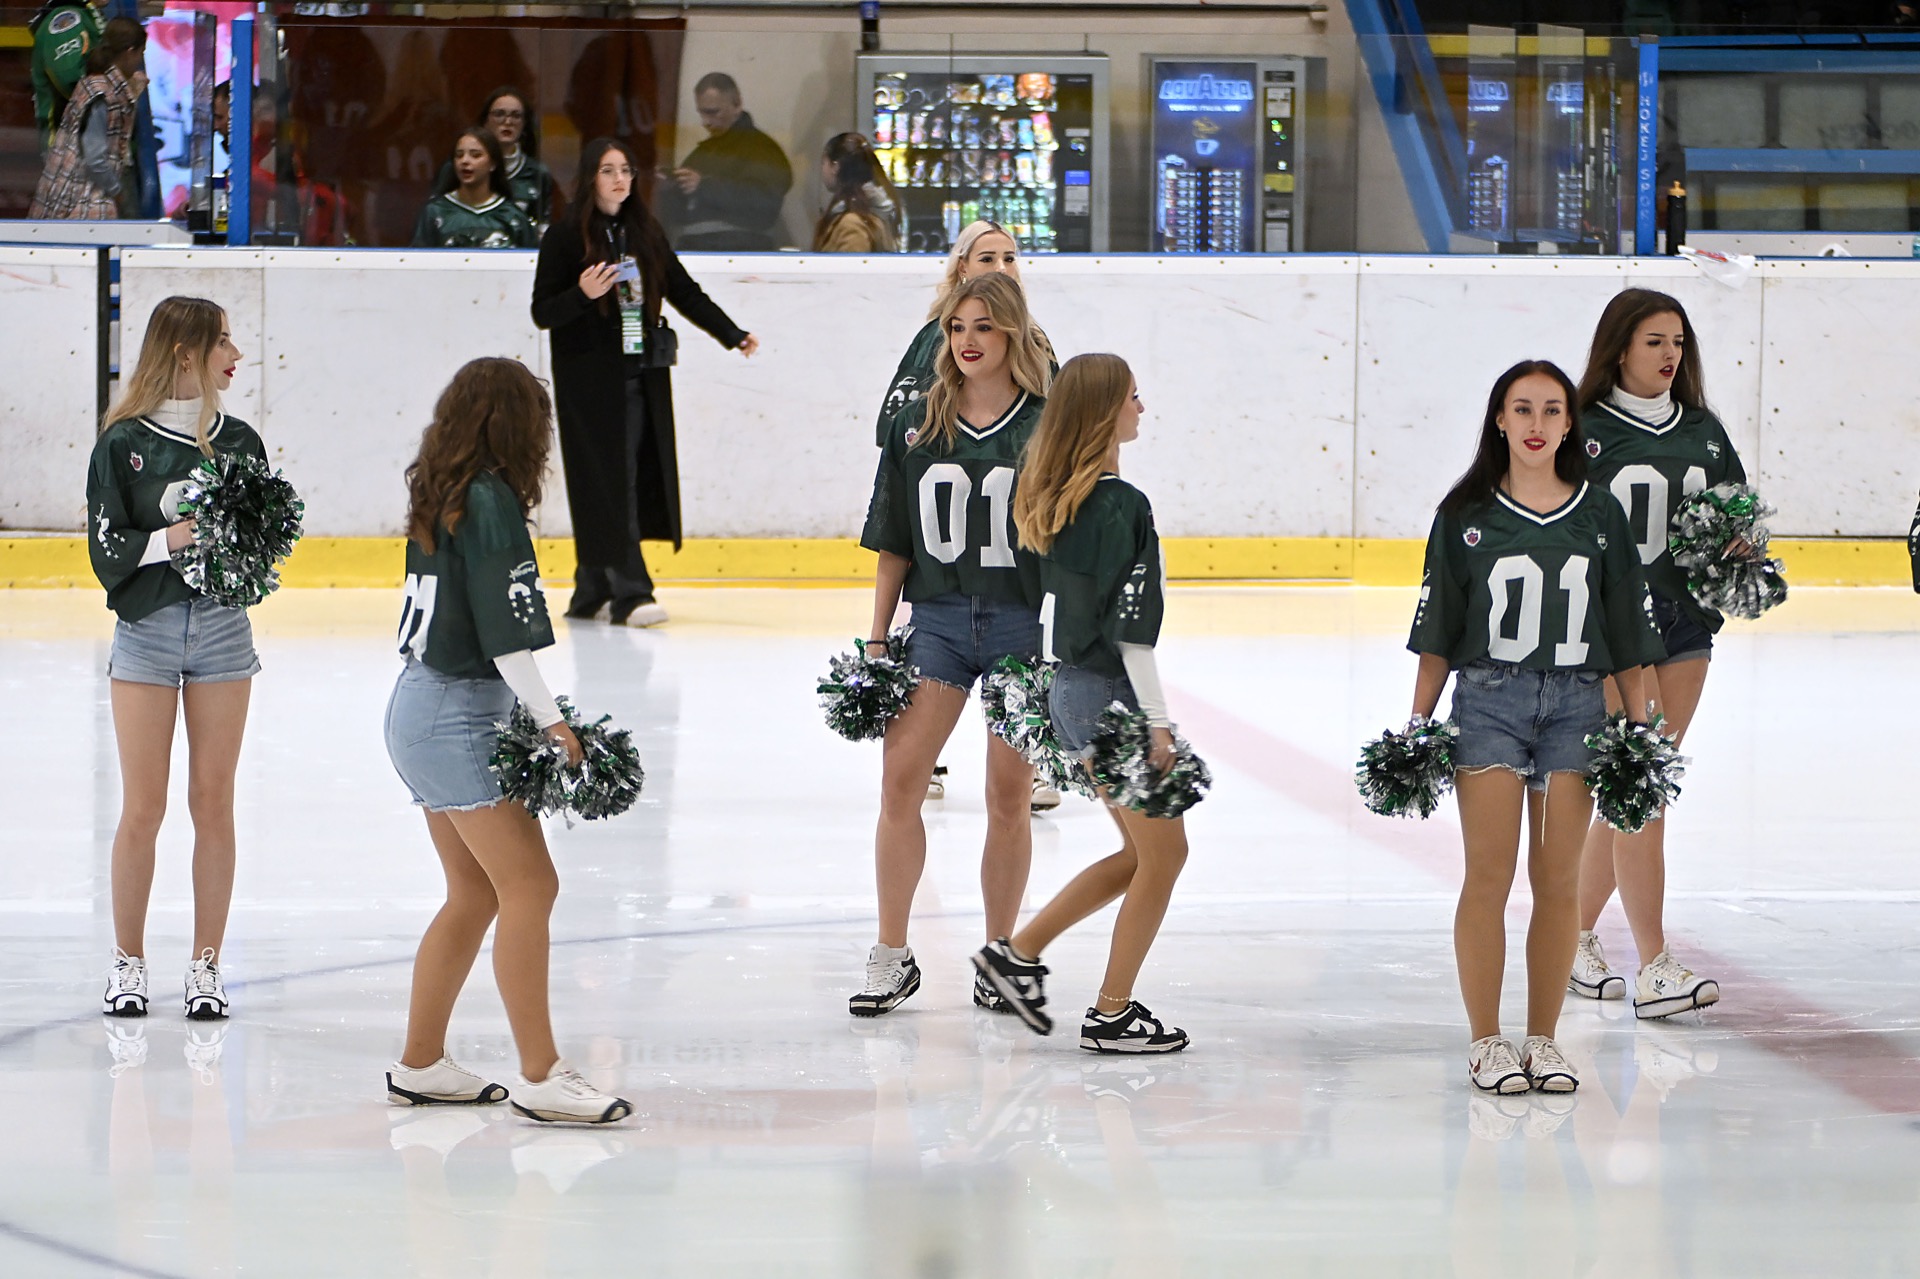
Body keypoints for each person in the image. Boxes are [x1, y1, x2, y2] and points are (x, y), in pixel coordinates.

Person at [1402, 359, 1665, 1093]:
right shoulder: (1464, 515)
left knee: (1556, 883)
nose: (1537, 424)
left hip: (1578, 710)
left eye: (1552, 410)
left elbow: (1627, 632)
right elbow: (1438, 630)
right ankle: (1486, 1040)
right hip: (1489, 702)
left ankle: (1544, 1040)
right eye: (1523, 409)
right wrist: (1417, 723)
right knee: (1488, 875)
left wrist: (1638, 730)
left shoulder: (1600, 513)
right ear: (1499, 420)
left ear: (1570, 423)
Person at [383, 357, 633, 1125]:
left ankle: (421, 1061)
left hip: (421, 708)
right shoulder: (489, 499)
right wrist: (553, 721)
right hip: (456, 715)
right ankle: (541, 1072)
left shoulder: (445, 490)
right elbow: (505, 636)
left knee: (476, 891)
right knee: (531, 886)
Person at [971, 353, 1197, 1054]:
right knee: (1164, 856)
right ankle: (1110, 1011)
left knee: (1141, 853)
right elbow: (1132, 629)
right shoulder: (1123, 505)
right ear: (1104, 411)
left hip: (1069, 690)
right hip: (1109, 693)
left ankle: (1017, 954)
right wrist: (1156, 721)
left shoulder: (1048, 499)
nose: (1142, 407)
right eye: (1133, 396)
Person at [850, 271, 1053, 1018]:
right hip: (934, 622)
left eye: (984, 327)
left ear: (1012, 333)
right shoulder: (918, 421)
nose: (967, 340)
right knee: (900, 783)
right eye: (957, 327)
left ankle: (999, 955)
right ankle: (891, 954)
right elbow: (893, 540)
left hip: (1019, 626)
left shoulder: (1046, 422)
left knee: (1009, 796)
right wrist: (878, 637)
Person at [1569, 290, 1750, 1020]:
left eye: (1677, 341)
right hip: (1616, 632)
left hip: (1685, 629)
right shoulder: (1584, 429)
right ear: (1620, 349)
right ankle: (1654, 965)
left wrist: (1743, 549)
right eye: (1654, 341)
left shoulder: (1704, 431)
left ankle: (1572, 940)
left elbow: (1736, 514)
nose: (1670, 353)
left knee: (1634, 789)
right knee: (1641, 788)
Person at [85, 296, 260, 1022]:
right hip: (146, 632)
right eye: (224, 341)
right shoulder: (122, 442)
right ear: (186, 353)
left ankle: (206, 965)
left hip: (222, 632)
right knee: (144, 807)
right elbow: (105, 548)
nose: (236, 355)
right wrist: (174, 538)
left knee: (213, 802)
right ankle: (128, 961)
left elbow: (260, 546)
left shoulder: (241, 442)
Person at [531, 137, 759, 627]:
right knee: (608, 482)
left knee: (626, 480)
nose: (620, 180)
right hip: (589, 384)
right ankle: (631, 594)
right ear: (590, 178)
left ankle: (593, 587)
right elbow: (543, 311)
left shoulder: (644, 232)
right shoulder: (565, 237)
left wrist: (732, 334)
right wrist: (582, 293)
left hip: (640, 375)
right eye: (608, 170)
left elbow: (684, 291)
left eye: (626, 171)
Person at [876, 220, 1061, 811]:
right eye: (987, 257)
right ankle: (929, 755)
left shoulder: (1036, 347)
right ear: (960, 266)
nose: (1001, 266)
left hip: (1018, 603)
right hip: (944, 586)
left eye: (1010, 257)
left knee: (1007, 797)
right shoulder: (932, 341)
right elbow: (893, 433)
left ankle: (1031, 759)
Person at [659, 71, 792, 251]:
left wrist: (703, 186)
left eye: (713, 112)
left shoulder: (762, 149)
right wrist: (669, 187)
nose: (705, 122)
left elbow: (765, 205)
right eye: (702, 113)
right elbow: (679, 214)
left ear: (737, 104)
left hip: (739, 251)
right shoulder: (704, 152)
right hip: (695, 250)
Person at [29, 15, 144, 220]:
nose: (139, 62)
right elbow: (94, 158)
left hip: (61, 192)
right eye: (140, 53)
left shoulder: (93, 83)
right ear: (129, 52)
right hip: (81, 200)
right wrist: (118, 191)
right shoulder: (104, 95)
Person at [433, 86, 557, 232]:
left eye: (516, 116)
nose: (508, 121)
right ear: (485, 120)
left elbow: (543, 227)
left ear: (524, 123)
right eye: (499, 114)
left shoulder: (537, 173)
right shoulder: (457, 168)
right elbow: (436, 217)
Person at [411, 127, 538, 249]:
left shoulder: (511, 215)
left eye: (475, 155)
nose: (465, 161)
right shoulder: (435, 212)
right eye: (459, 155)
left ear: (493, 163)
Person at [29, 0, 104, 150]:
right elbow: (71, 79)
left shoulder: (84, 13)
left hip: (85, 141)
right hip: (73, 144)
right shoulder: (66, 17)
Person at [811, 132, 898, 253]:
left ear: (835, 167)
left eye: (824, 163)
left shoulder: (851, 225)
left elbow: (852, 264)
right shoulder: (869, 212)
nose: (822, 169)